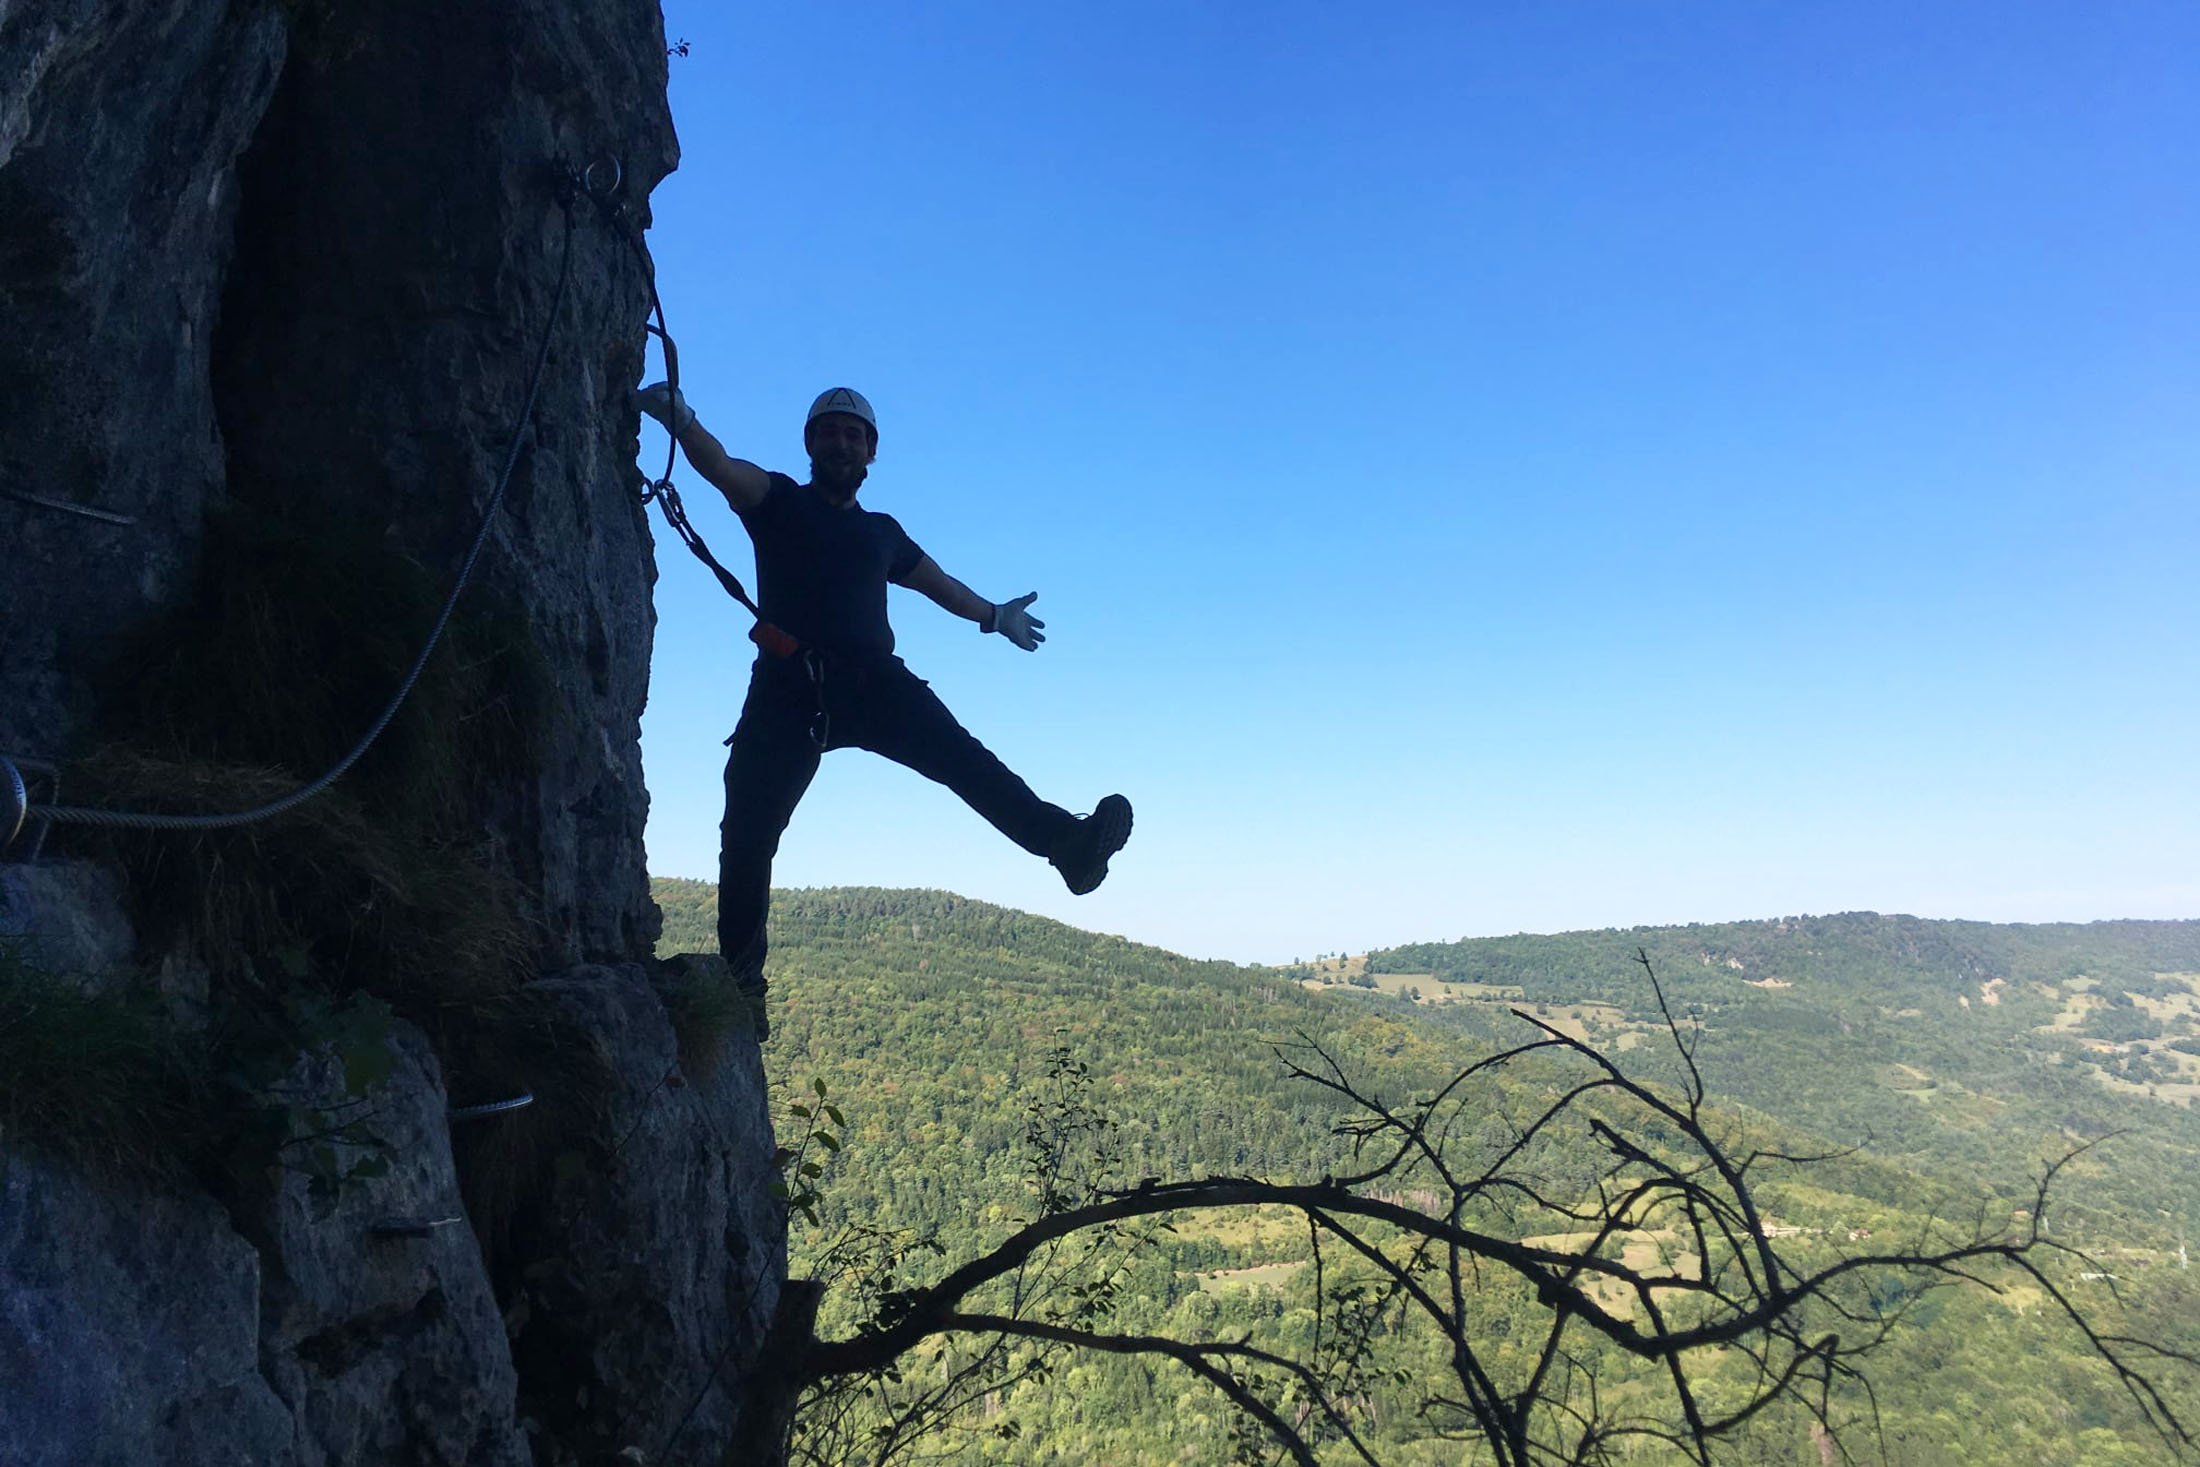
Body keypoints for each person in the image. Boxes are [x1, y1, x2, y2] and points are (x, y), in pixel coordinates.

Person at [635, 382, 1132, 1019]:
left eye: (854, 434)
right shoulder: (779, 500)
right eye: (830, 431)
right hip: (791, 686)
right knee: (748, 835)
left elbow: (938, 585)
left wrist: (992, 617)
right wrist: (684, 422)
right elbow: (722, 467)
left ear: (871, 452)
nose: (841, 442)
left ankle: (1069, 847)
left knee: (966, 762)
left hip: (875, 683)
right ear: (811, 443)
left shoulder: (882, 533)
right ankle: (741, 986)